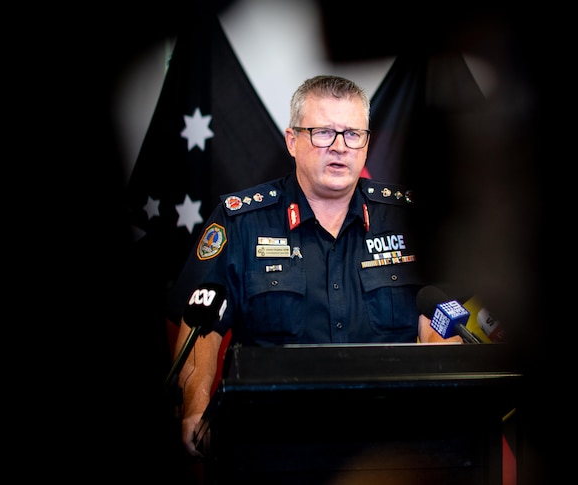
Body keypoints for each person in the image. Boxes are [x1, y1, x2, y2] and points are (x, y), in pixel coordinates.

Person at [169, 74, 461, 458]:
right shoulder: (239, 221)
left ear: (367, 143)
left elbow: (436, 325)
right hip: (272, 444)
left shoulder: (408, 220)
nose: (339, 147)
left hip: (389, 447)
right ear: (292, 141)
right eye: (323, 132)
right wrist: (195, 406)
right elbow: (200, 328)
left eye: (352, 134)